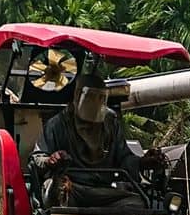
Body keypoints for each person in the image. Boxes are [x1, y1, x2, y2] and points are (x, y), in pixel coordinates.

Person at [29, 63, 164, 205]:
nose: (96, 102)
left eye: (101, 98)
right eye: (91, 97)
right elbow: (36, 158)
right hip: (72, 187)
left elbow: (123, 158)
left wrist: (142, 162)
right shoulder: (58, 124)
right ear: (77, 96)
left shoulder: (110, 122)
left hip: (103, 189)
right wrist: (51, 160)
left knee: (137, 203)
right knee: (60, 194)